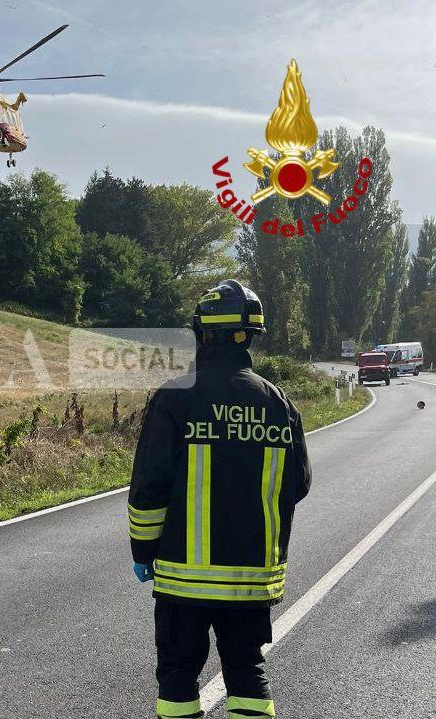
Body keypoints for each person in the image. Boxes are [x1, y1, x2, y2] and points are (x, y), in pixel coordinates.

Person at [128, 279, 312, 719]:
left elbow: (150, 487)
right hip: (251, 577)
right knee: (247, 673)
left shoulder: (176, 397)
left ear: (202, 334)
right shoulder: (278, 402)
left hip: (181, 576)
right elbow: (299, 484)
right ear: (249, 337)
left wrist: (143, 550)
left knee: (177, 675)